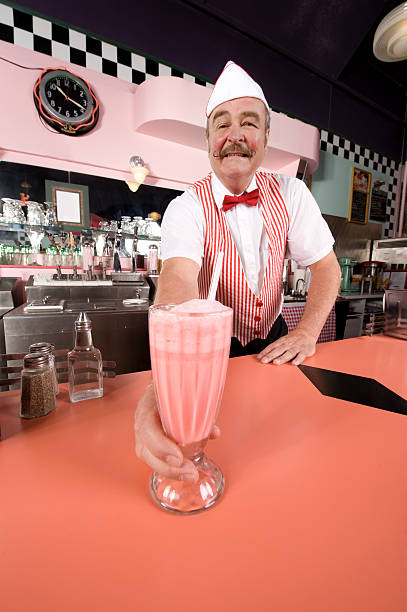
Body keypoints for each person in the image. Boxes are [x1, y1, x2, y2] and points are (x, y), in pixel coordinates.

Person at [135, 60, 341, 482]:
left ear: (265, 138)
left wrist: (307, 332)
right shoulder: (186, 207)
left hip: (276, 342)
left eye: (249, 123)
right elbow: (176, 283)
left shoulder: (293, 193)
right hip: (210, 353)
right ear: (208, 139)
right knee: (217, 448)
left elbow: (327, 268)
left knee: (282, 453)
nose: (235, 136)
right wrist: (159, 395)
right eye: (222, 124)